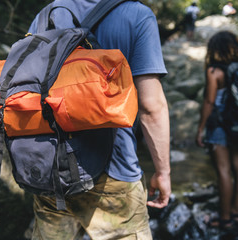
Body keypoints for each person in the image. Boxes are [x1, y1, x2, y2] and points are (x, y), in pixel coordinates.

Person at [28, 1, 171, 239]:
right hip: (113, 172)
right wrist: (163, 171)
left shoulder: (47, 15)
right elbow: (151, 106)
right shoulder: (137, 15)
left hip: (51, 168)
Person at [196, 31, 238, 230]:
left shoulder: (214, 71)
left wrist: (200, 129)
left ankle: (224, 219)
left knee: (224, 171)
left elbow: (209, 102)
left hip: (220, 128)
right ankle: (237, 213)